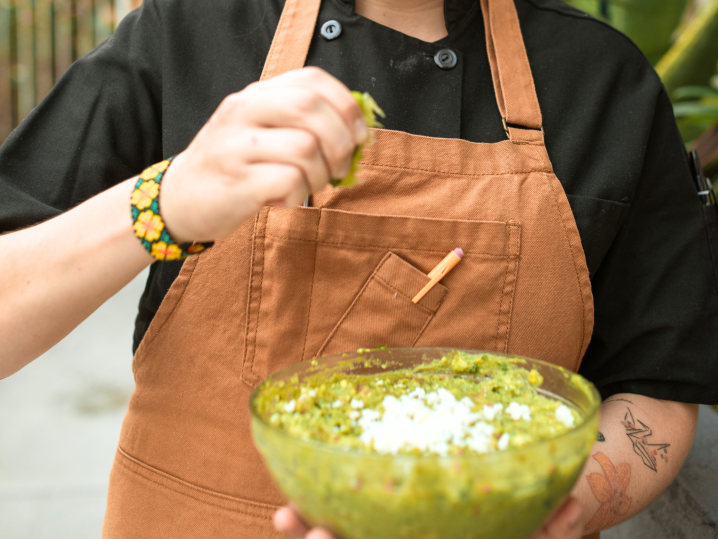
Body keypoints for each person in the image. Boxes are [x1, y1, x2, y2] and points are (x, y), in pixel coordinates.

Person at [0, 0, 716, 537]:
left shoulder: (601, 83)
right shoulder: (192, 30)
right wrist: (165, 200)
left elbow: (656, 385)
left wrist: (555, 502)